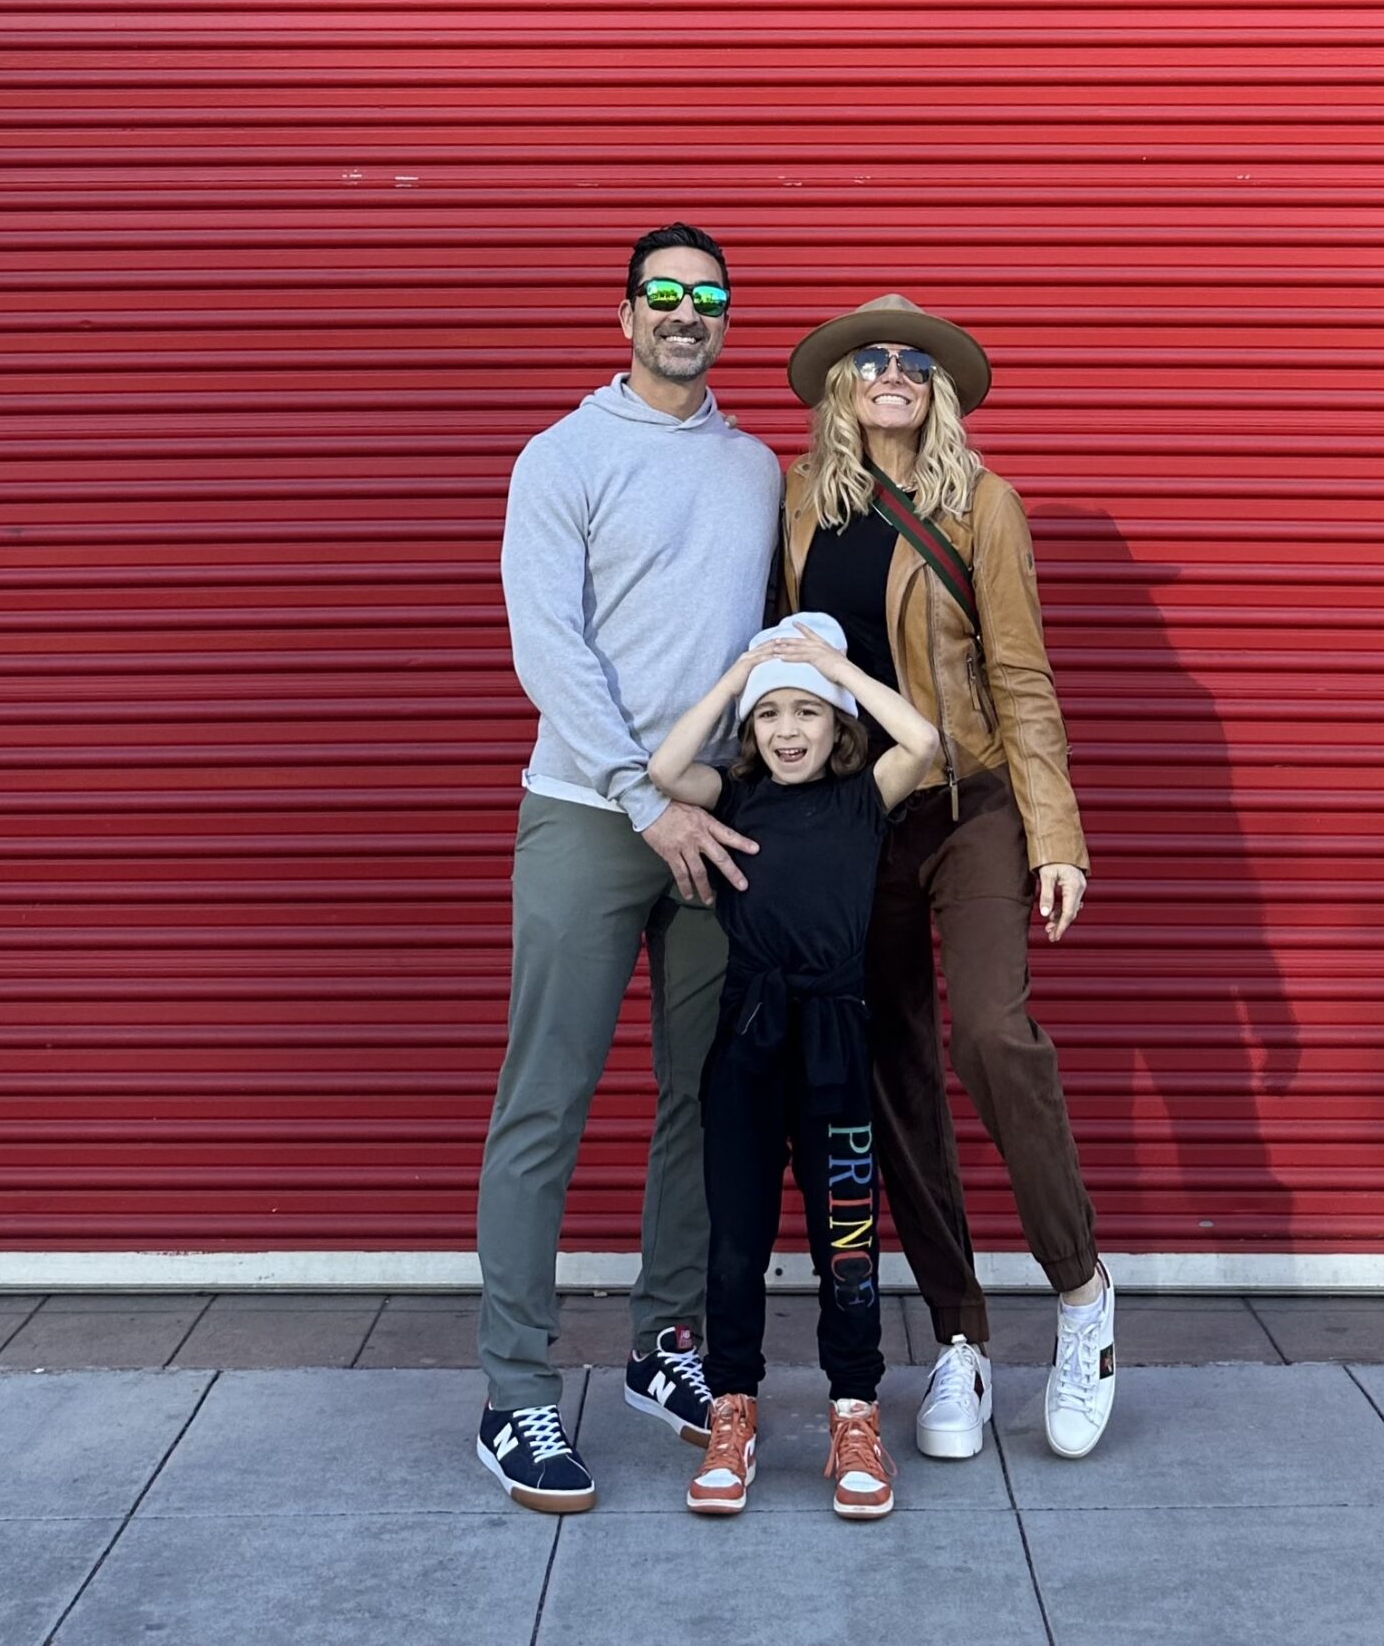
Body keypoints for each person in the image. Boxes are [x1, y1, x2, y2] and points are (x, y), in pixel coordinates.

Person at [474, 224, 782, 1514]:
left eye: (707, 297)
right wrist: (632, 793)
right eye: (663, 293)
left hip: (714, 824)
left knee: (701, 1101)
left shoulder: (760, 465)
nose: (686, 312)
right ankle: (514, 1394)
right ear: (623, 316)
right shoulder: (563, 457)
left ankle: (666, 1344)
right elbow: (546, 646)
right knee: (544, 1102)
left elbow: (778, 638)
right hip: (588, 818)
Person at [778, 293, 1115, 1462]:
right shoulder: (796, 504)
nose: (889, 372)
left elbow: (1020, 673)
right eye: (868, 359)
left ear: (939, 391)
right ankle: (960, 1338)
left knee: (989, 1036)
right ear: (840, 387)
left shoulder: (985, 504)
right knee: (893, 1073)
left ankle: (1080, 1297)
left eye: (911, 361)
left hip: (969, 808)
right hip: (856, 819)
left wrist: (1054, 830)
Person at [644, 614, 938, 1520]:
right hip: (747, 1040)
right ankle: (734, 1411)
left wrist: (824, 661)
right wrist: (740, 675)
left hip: (837, 1042)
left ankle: (854, 1412)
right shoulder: (733, 796)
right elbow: (662, 770)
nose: (787, 730)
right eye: (771, 715)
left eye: (807, 711)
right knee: (735, 1243)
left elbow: (923, 738)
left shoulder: (862, 799)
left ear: (839, 723)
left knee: (846, 1241)